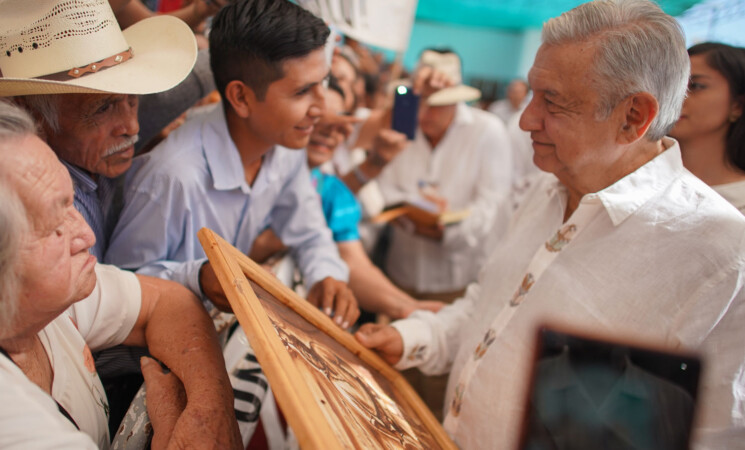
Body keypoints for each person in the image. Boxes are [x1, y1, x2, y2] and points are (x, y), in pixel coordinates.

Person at [355, 1, 745, 448]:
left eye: (553, 102)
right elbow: (494, 307)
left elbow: (718, 436)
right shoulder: (547, 188)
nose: (525, 120)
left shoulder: (720, 254)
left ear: (634, 116)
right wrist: (413, 336)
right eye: (532, 93)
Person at [0, 100, 241, 449]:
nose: (86, 234)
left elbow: (167, 300)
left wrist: (208, 408)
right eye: (54, 225)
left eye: (71, 203)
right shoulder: (20, 429)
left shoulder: (39, 297)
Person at [106, 0, 359, 327]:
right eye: (302, 92)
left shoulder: (285, 148)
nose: (321, 108)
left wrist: (327, 274)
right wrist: (198, 277)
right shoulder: (172, 177)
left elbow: (308, 230)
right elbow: (120, 284)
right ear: (241, 97)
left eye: (322, 84)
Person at [0, 0, 199, 262]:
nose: (132, 127)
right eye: (104, 109)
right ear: (32, 118)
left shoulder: (89, 156)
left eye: (132, 99)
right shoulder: (33, 225)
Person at [250, 77, 444, 319]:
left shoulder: (332, 191)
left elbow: (352, 260)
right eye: (318, 118)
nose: (330, 131)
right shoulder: (252, 165)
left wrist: (406, 307)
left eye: (341, 119)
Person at [669, 43, 745, 213]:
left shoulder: (739, 201)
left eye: (696, 86)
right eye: (671, 85)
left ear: (737, 106)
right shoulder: (638, 186)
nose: (676, 96)